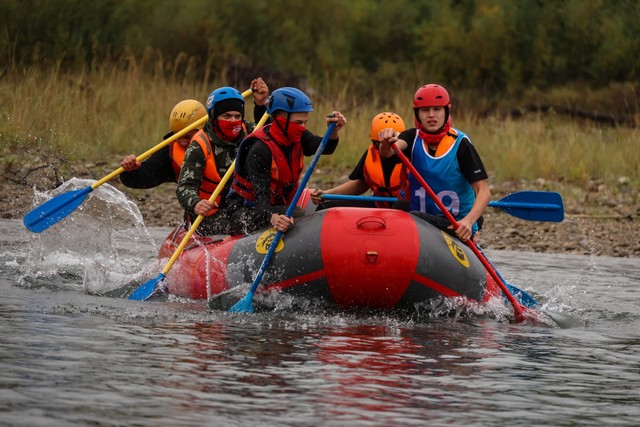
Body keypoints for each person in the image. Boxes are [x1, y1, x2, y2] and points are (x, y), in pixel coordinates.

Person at [224, 87, 347, 235]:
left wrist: (333, 131)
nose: (302, 127)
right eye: (298, 122)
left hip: (274, 206)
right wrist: (274, 218)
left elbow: (324, 147)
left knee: (306, 211)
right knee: (298, 213)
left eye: (304, 122)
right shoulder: (259, 150)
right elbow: (260, 201)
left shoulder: (296, 134)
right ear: (281, 120)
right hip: (244, 212)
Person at [377, 83, 490, 242]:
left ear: (446, 111)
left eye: (437, 109)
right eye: (425, 110)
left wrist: (469, 221)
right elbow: (389, 152)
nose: (431, 115)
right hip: (422, 222)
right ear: (417, 114)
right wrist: (386, 141)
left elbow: (484, 191)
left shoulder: (461, 144)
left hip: (456, 226)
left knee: (412, 217)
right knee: (399, 209)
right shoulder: (411, 137)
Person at [175, 78, 269, 234]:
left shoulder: (251, 131)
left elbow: (270, 132)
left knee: (262, 217)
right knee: (241, 225)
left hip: (242, 206)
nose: (233, 121)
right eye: (226, 116)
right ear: (214, 117)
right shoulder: (199, 145)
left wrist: (261, 104)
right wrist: (196, 203)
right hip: (211, 215)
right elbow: (185, 187)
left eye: (237, 116)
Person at [310, 112, 406, 210]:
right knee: (325, 207)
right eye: (380, 143)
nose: (384, 147)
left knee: (401, 205)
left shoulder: (411, 153)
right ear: (374, 141)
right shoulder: (371, 154)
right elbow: (360, 184)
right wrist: (326, 194)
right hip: (379, 205)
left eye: (390, 143)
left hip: (403, 207)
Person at [119, 99, 207, 188]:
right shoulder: (169, 151)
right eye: (178, 136)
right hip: (197, 200)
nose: (182, 143)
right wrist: (130, 170)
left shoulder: (217, 143)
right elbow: (145, 176)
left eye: (188, 137)